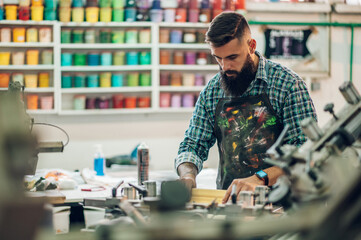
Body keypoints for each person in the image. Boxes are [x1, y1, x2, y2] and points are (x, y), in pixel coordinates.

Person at [174, 12, 317, 204]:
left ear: (251, 46)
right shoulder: (212, 91)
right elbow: (192, 145)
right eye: (218, 58)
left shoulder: (287, 85)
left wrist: (259, 178)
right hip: (230, 204)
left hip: (282, 205)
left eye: (232, 57)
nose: (225, 67)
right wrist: (187, 174)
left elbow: (307, 151)